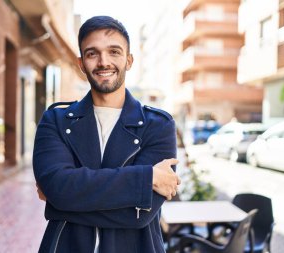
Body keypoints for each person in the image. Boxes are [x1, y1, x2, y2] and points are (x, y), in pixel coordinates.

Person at [33, 15, 180, 253]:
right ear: (81, 64)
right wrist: (145, 179)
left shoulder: (158, 125)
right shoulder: (55, 120)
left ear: (129, 60)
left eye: (114, 52)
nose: (104, 62)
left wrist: (59, 206)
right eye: (92, 53)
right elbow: (57, 187)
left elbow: (139, 215)